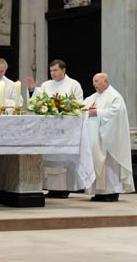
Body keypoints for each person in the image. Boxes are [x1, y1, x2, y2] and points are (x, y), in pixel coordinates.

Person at [27, 59, 83, 198]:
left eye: (55, 70)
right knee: (49, 159)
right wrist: (32, 90)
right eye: (51, 70)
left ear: (63, 70)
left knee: (63, 159)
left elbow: (79, 106)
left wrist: (69, 107)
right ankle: (50, 187)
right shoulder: (46, 85)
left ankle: (65, 188)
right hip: (48, 131)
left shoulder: (73, 84)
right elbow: (37, 103)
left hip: (66, 131)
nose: (52, 73)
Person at [84, 73, 134, 201]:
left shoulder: (115, 96)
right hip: (95, 139)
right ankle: (100, 193)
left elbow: (116, 113)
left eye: (97, 81)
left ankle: (112, 192)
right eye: (93, 81)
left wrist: (98, 113)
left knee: (109, 167)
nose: (94, 84)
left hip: (109, 139)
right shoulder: (92, 98)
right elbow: (83, 109)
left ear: (105, 81)